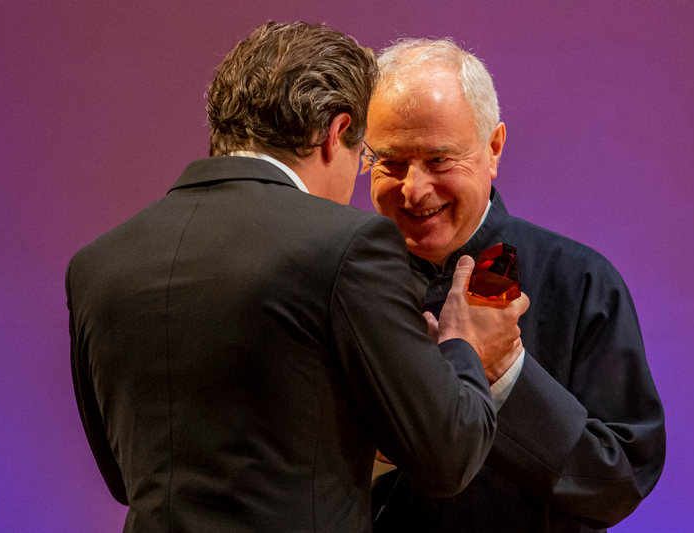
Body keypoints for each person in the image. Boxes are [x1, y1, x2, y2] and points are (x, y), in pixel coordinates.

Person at [67, 23, 528, 532]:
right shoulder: (349, 244)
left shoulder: (96, 263)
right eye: (367, 158)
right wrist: (465, 345)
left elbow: (121, 475)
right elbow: (448, 458)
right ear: (336, 133)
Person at [366, 38, 666, 532]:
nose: (413, 190)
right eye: (391, 162)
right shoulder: (342, 284)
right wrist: (381, 450)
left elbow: (621, 480)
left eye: (439, 160)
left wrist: (504, 373)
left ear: (494, 148)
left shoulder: (580, 281)